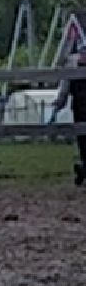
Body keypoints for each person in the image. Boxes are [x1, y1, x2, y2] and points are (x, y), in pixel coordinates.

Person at [50, 51, 86, 188]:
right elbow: (65, 86)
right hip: (80, 107)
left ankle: (83, 169)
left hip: (80, 106)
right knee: (83, 142)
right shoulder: (72, 63)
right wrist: (59, 103)